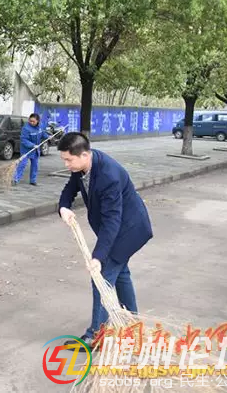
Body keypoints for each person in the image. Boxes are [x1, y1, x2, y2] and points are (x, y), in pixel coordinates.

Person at [56, 132, 153, 346]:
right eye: (64, 159)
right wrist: (63, 207)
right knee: (121, 273)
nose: (66, 164)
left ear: (84, 155)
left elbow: (112, 221)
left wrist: (98, 257)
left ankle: (95, 336)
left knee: (101, 278)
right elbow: (70, 188)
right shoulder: (83, 166)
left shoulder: (109, 176)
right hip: (117, 227)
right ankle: (132, 323)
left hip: (129, 230)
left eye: (68, 160)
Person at [13, 113, 48, 186]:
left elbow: (43, 134)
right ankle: (15, 179)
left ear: (38, 121)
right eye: (30, 121)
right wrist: (32, 145)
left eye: (33, 121)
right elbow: (24, 139)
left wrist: (48, 137)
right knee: (22, 164)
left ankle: (33, 180)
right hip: (26, 150)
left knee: (35, 165)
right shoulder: (26, 128)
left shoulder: (40, 126)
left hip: (35, 150)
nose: (31, 123)